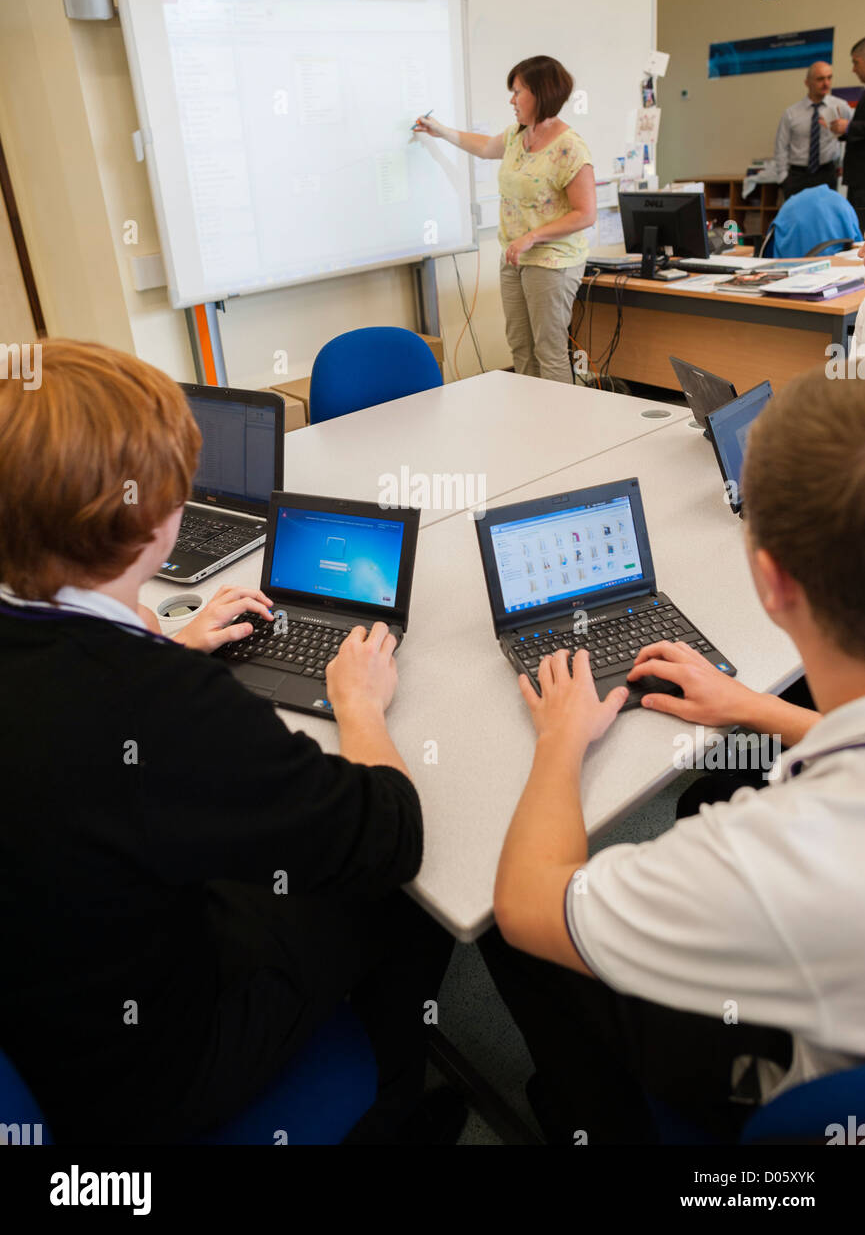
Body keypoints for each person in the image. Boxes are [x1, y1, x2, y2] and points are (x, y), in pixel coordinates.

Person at [0, 339, 456, 1145]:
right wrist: (359, 705)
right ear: (156, 518)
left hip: (42, 1019)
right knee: (405, 899)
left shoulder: (101, 668)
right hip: (152, 1075)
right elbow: (388, 832)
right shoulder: (161, 703)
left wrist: (171, 646)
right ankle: (391, 1109)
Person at [480, 364, 865, 1144]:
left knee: (498, 931)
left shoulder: (780, 852)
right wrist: (753, 708)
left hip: (796, 1085)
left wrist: (560, 742)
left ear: (769, 581)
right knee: (713, 785)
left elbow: (527, 904)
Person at [415, 56, 596, 384]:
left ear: (541, 94)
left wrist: (532, 237)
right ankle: (530, 420)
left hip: (552, 262)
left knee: (549, 349)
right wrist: (439, 130)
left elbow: (586, 213)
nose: (511, 100)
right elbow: (484, 146)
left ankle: (564, 427)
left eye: (518, 92)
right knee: (520, 347)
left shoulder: (569, 146)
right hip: (514, 258)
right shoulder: (517, 135)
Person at [774, 61, 852, 201]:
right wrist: (783, 178)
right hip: (797, 175)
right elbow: (781, 147)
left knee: (825, 219)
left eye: (829, 78)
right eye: (820, 79)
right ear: (807, 83)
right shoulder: (791, 113)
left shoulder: (841, 107)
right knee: (797, 219)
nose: (826, 83)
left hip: (826, 173)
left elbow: (852, 135)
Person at [832, 36, 865, 234]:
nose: (853, 69)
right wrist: (842, 131)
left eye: (856, 62)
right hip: (857, 179)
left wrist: (848, 127)